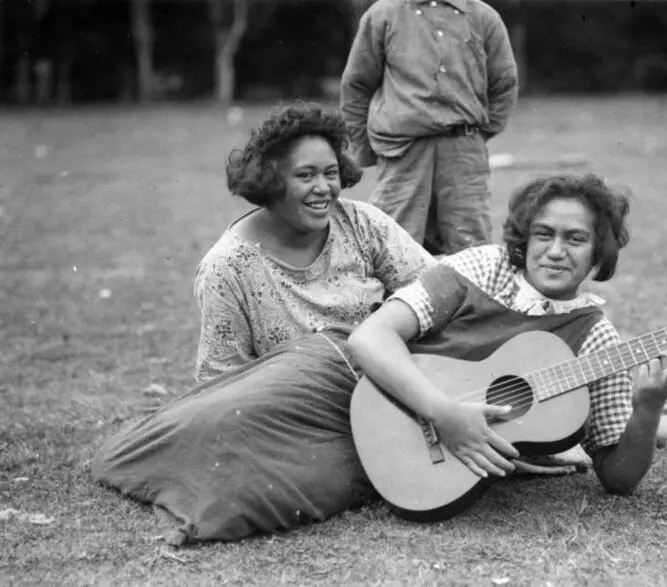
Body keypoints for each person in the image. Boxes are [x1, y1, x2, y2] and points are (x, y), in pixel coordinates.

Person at [91, 104, 435, 543]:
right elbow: (228, 385)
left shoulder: (362, 223)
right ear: (271, 180)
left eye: (331, 173)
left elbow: (431, 293)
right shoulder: (227, 268)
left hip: (390, 386)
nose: (323, 188)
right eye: (305, 175)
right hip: (297, 416)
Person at [348, 174, 667, 493]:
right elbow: (370, 337)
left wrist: (648, 408)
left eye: (575, 238)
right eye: (543, 234)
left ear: (599, 251)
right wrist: (443, 413)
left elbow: (619, 477)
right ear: (525, 238)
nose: (556, 251)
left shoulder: (596, 338)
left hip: (438, 477)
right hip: (386, 414)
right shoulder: (481, 269)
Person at [340, 0, 518, 255]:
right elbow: (357, 84)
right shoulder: (384, 14)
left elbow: (504, 83)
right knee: (392, 243)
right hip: (402, 152)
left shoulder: (483, 16)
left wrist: (474, 137)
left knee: (471, 244)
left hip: (464, 154)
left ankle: (466, 296)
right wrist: (366, 148)